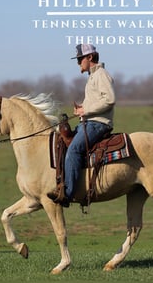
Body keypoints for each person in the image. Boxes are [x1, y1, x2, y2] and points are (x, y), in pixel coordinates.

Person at [48, 44, 116, 207]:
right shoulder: (93, 76)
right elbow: (97, 102)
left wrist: (86, 110)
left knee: (74, 149)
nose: (78, 63)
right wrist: (81, 109)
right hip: (89, 122)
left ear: (90, 58)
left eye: (80, 59)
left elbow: (109, 99)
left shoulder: (101, 75)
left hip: (98, 124)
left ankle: (67, 193)